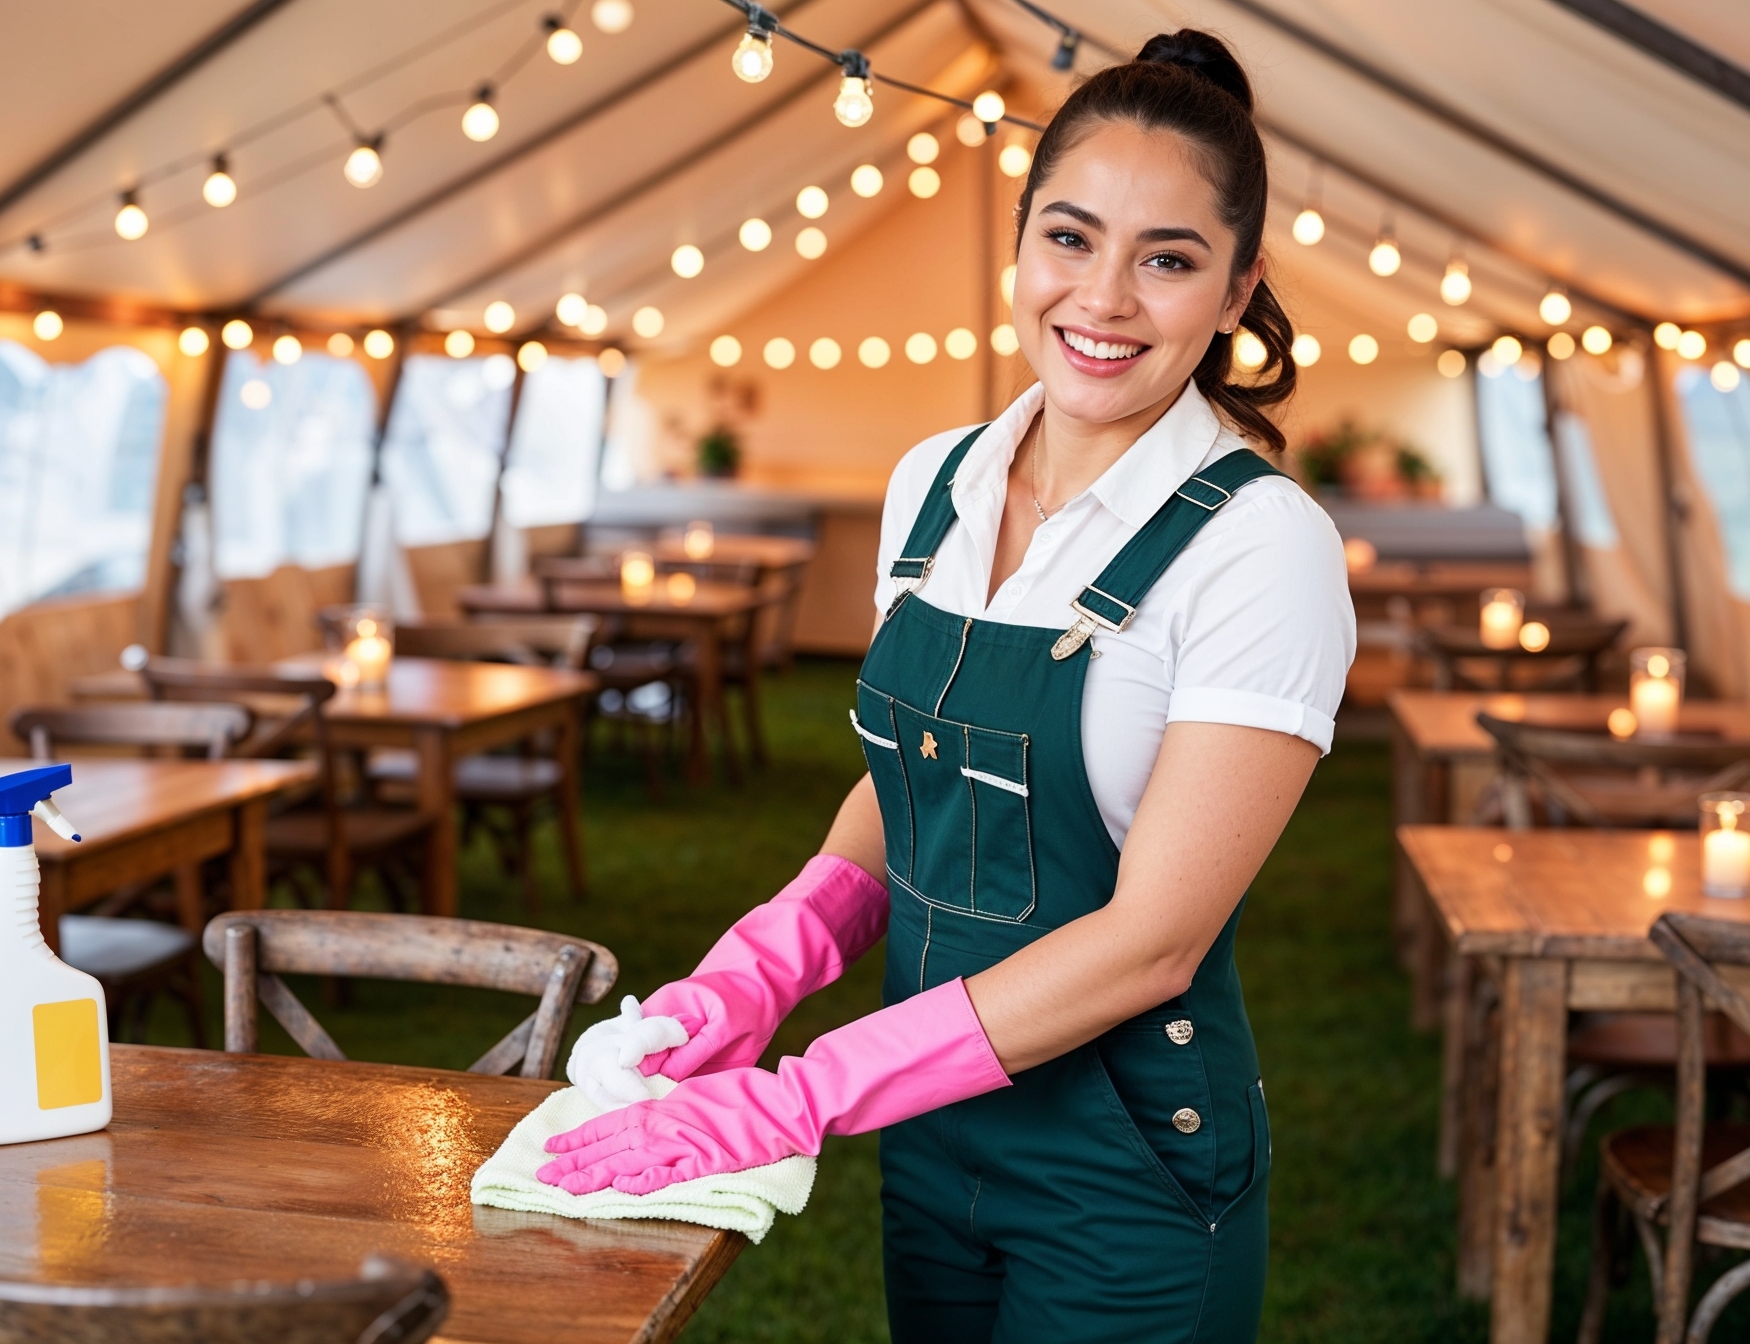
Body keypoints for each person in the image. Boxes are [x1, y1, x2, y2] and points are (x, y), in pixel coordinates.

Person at [540, 29, 1353, 1341]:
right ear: (1019, 244)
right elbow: (908, 783)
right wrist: (763, 965)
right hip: (927, 1130)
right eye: (1071, 239)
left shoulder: (1261, 544)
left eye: (1169, 259)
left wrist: (802, 1093)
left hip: (1127, 1166)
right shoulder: (935, 484)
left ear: (1239, 286)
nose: (1104, 300)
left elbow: (1156, 940)